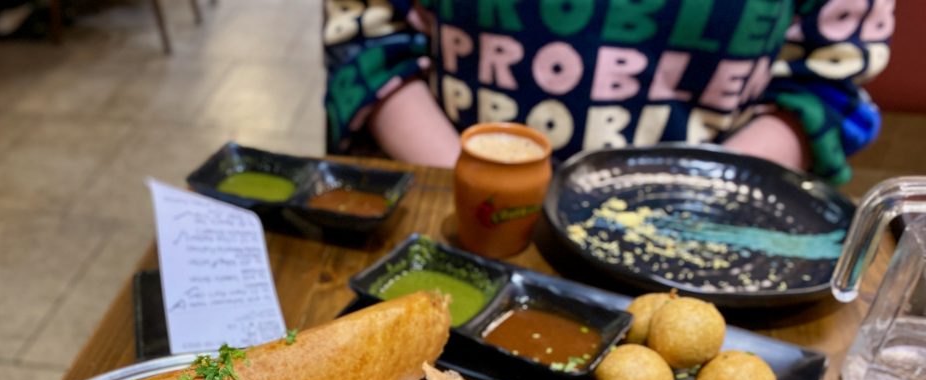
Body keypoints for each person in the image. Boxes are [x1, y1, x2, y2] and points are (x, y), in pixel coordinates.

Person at [323, 0, 893, 183]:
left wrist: (682, 203)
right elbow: (370, 33)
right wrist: (483, 184)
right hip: (454, 191)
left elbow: (827, 82)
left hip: (700, 207)